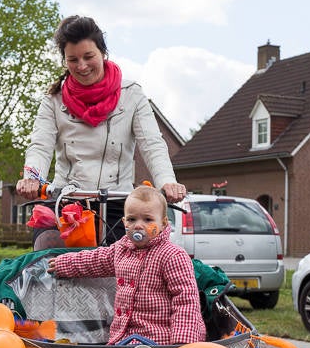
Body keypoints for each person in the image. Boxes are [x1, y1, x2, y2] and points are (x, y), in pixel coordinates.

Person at [15, 15, 188, 248]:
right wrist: (32, 178)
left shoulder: (132, 94)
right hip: (68, 200)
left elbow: (152, 143)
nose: (82, 66)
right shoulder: (53, 100)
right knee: (47, 252)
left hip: (118, 201)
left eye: (89, 57)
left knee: (132, 262)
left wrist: (167, 181)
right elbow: (40, 145)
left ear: (103, 53)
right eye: (73, 59)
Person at [48, 186, 205, 345]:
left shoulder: (172, 255)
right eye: (132, 219)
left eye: (148, 219)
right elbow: (96, 260)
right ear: (124, 222)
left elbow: (185, 301)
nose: (138, 225)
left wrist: (182, 345)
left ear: (163, 223)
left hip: (159, 340)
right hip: (122, 338)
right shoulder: (121, 249)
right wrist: (64, 263)